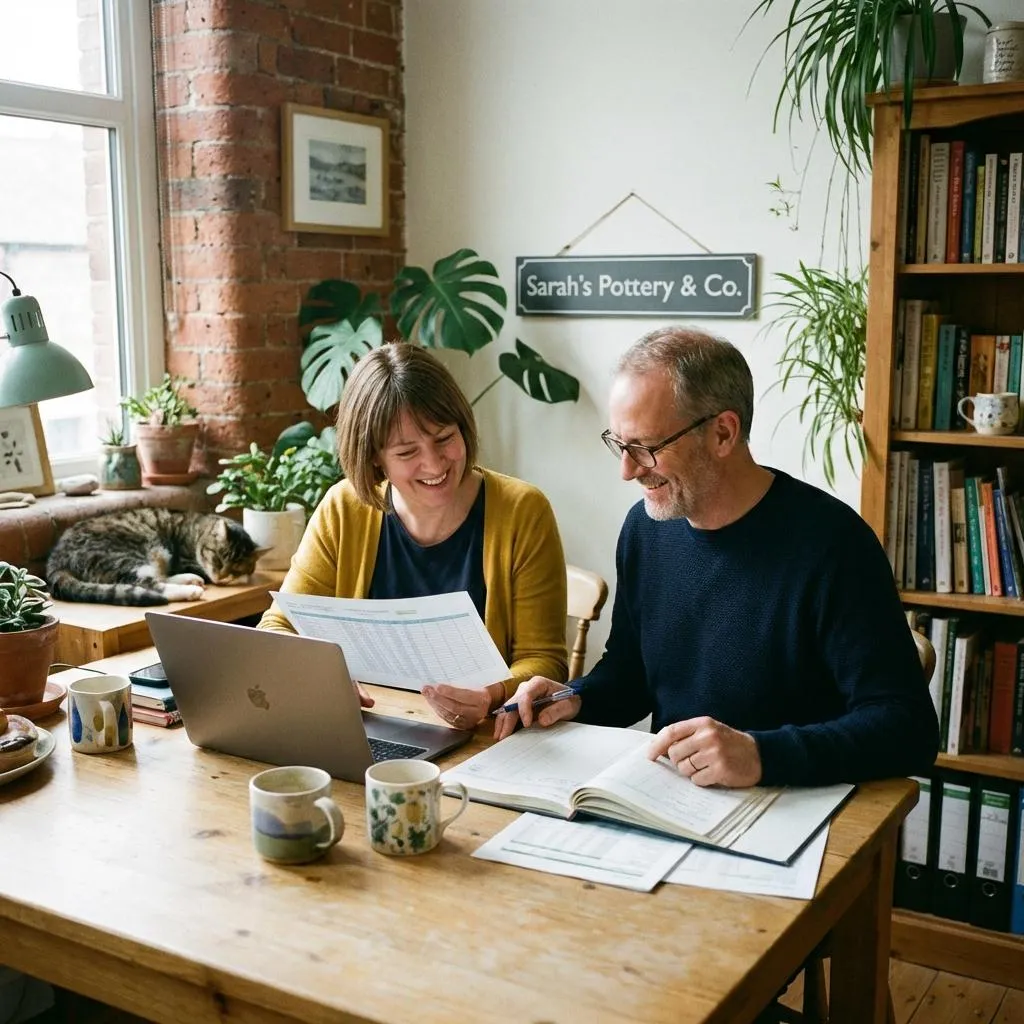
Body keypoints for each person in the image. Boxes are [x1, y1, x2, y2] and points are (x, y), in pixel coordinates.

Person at [496, 327, 940, 788]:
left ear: (723, 433)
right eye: (619, 444)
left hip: (793, 811)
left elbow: (908, 729)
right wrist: (576, 697)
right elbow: (632, 675)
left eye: (645, 448)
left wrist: (761, 755)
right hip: (674, 800)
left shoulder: (834, 545)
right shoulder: (644, 530)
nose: (627, 471)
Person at [258, 343, 568, 726]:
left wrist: (493, 695)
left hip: (483, 739)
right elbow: (278, 626)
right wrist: (323, 675)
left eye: (444, 438)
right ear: (374, 455)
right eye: (407, 452)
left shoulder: (523, 511)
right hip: (367, 725)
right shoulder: (344, 509)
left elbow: (545, 659)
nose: (435, 464)